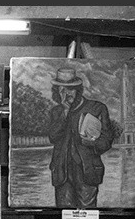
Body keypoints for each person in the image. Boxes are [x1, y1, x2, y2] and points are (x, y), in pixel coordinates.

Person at [47, 67, 113, 208]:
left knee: (87, 216)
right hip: (62, 173)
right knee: (62, 214)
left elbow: (107, 141)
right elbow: (53, 137)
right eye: (62, 90)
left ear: (78, 90)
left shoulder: (97, 108)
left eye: (71, 89)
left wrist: (91, 143)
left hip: (87, 172)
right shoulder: (56, 112)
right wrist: (65, 112)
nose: (67, 94)